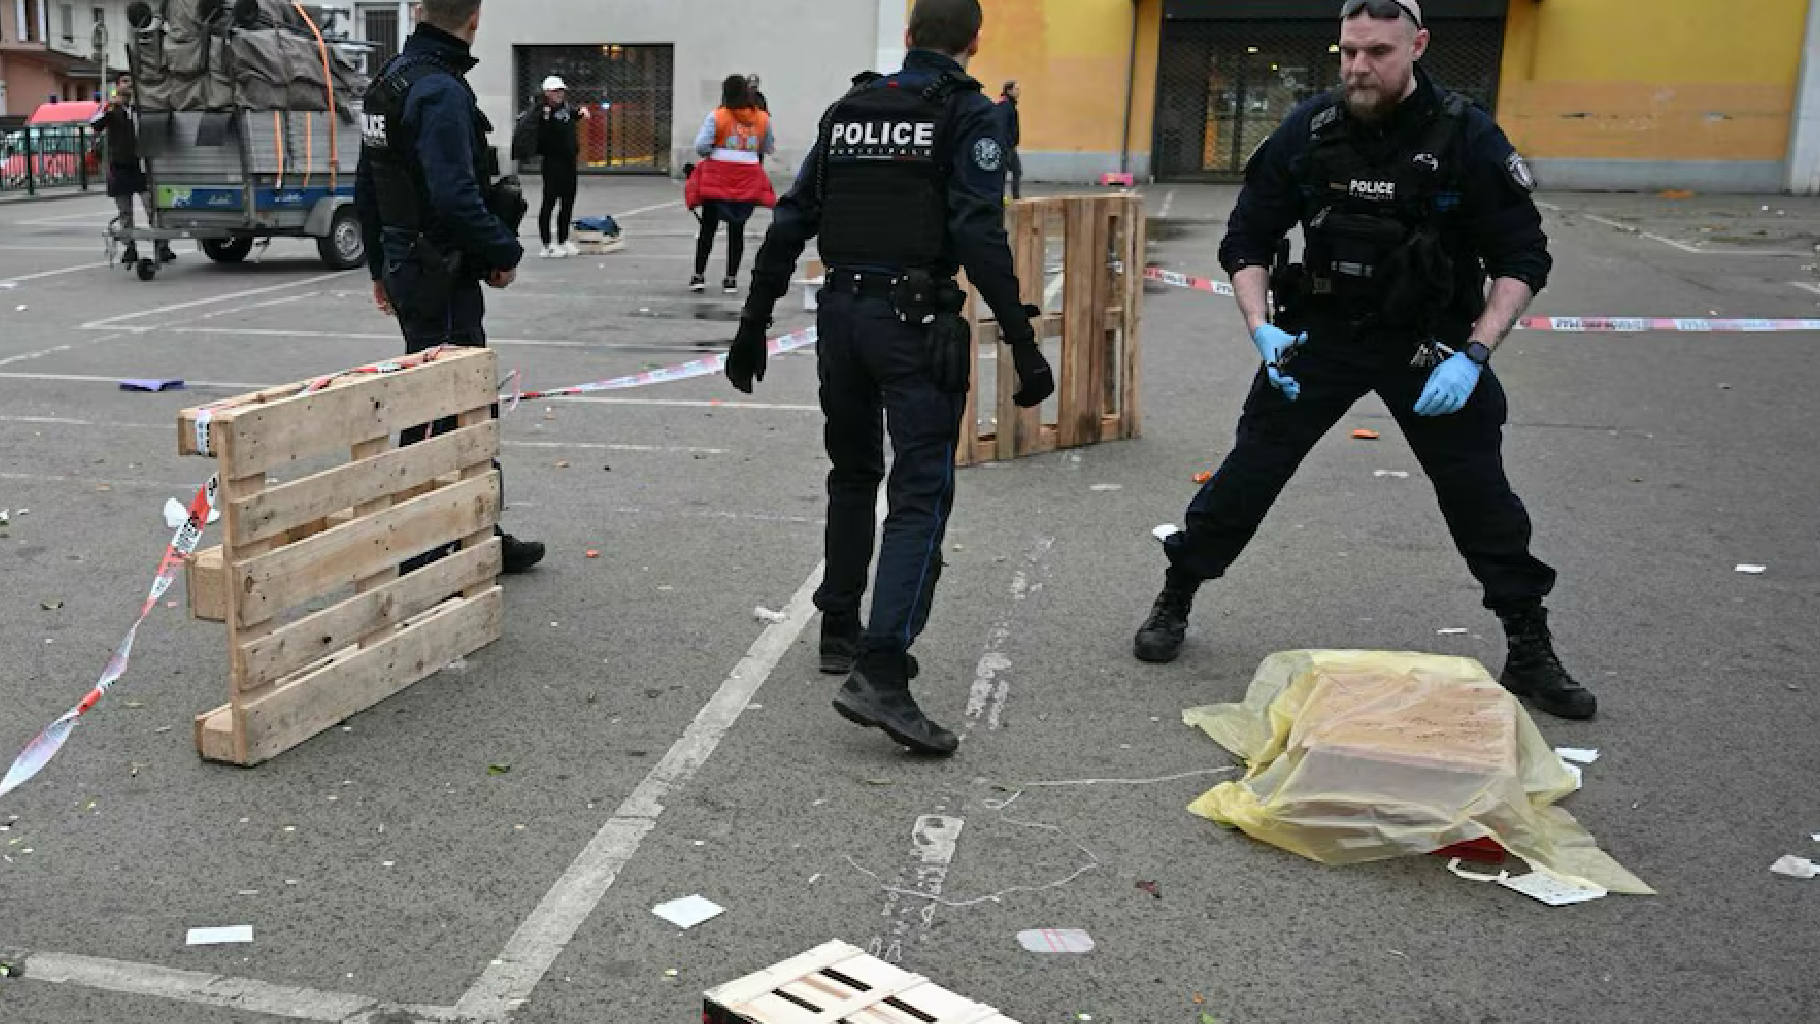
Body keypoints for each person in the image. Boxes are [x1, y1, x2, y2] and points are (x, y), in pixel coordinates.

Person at [1132, 0, 1595, 722]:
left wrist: (1472, 354)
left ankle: (1529, 644)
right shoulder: (1311, 128)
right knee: (1248, 473)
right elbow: (1247, 238)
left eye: (1377, 52)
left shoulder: (1464, 135)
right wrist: (1260, 327)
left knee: (1480, 496)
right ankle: (1178, 592)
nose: (1358, 66)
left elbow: (1521, 258)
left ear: (1418, 45)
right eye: (1349, 51)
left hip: (1429, 343)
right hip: (1321, 334)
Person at [727, 0, 1055, 757]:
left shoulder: (852, 106)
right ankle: (880, 670)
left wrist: (754, 322)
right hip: (913, 327)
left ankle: (839, 626)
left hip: (839, 316)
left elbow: (792, 215)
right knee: (919, 495)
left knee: (851, 473)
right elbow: (977, 228)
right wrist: (1019, 337)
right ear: (974, 42)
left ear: (907, 39)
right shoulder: (968, 114)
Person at [354, 0, 545, 574]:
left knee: (451, 402)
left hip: (412, 266)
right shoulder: (439, 91)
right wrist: (505, 251)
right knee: (446, 407)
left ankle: (473, 530)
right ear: (476, 16)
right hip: (440, 271)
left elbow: (368, 183)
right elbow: (454, 196)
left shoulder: (389, 81)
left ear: (418, 10)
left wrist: (379, 267)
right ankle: (425, 548)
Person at [685, 75, 776, 294]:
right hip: (748, 179)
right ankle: (731, 279)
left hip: (717, 177)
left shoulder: (718, 116)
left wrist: (717, 150)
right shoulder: (762, 118)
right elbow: (768, 146)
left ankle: (699, 275)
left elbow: (701, 146)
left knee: (708, 227)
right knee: (738, 229)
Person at [91, 72, 175, 266]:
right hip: (120, 166)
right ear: (118, 86)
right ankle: (130, 248)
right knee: (125, 212)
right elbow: (95, 123)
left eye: (131, 82)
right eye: (124, 82)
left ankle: (162, 246)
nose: (128, 86)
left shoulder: (142, 107)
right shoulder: (111, 109)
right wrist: (111, 106)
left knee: (152, 208)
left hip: (142, 165)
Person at [528, 74, 588, 258]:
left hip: (569, 162)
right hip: (552, 163)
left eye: (561, 90)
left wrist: (580, 112)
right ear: (547, 92)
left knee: (567, 202)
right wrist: (544, 118)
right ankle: (546, 245)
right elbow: (541, 134)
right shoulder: (542, 111)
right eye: (555, 91)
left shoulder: (564, 109)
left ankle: (563, 240)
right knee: (549, 202)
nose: (559, 94)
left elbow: (571, 116)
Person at [996, 80, 1022, 201]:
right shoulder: (1004, 105)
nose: (1019, 91)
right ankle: (998, 198)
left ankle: (1016, 197)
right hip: (1005, 146)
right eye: (1016, 89)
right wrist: (1006, 143)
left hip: (1011, 146)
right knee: (1002, 174)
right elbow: (1001, 126)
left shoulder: (1010, 104)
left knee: (1017, 171)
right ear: (1009, 90)